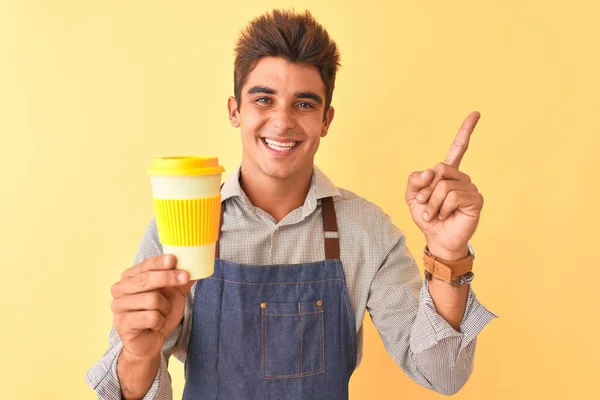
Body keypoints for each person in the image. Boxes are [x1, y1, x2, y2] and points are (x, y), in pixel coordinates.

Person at [86, 9, 496, 400]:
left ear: (326, 120)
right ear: (235, 111)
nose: (282, 121)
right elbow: (129, 391)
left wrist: (448, 256)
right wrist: (139, 354)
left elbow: (442, 375)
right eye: (263, 99)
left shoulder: (367, 232)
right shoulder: (179, 227)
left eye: (304, 103)